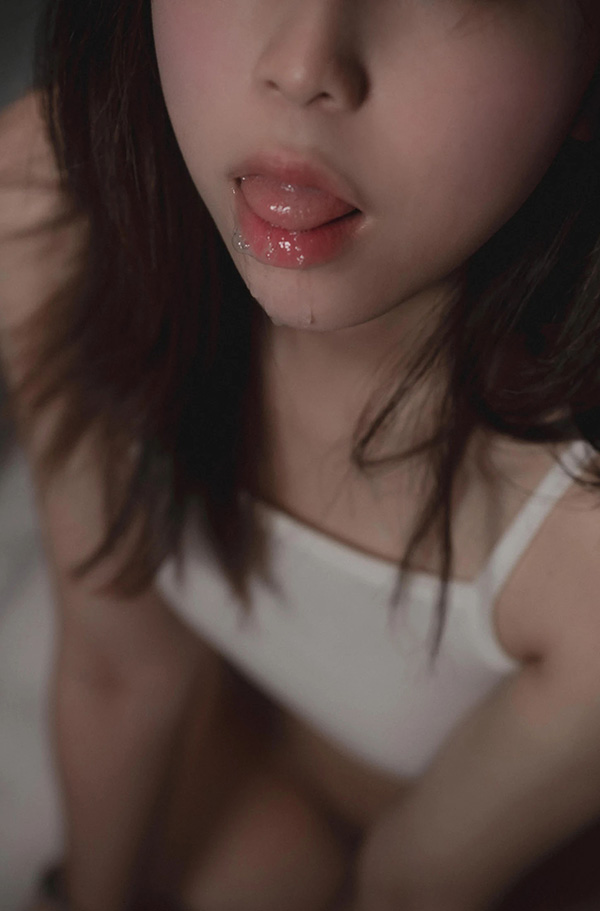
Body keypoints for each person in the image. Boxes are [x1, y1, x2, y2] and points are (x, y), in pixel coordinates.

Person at [2, 1, 600, 910]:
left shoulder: (580, 527)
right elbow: (119, 669)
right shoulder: (52, 202)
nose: (302, 65)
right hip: (242, 750)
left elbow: (414, 882)